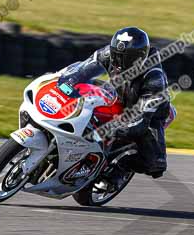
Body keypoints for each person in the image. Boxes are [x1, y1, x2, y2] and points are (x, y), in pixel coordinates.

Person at [73, 26, 173, 179]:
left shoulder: (154, 79)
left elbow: (140, 122)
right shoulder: (109, 54)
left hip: (148, 114)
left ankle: (120, 166)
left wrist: (110, 130)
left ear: (139, 57)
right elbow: (82, 71)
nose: (118, 63)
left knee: (156, 165)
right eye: (117, 56)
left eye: (125, 58)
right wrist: (66, 81)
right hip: (116, 97)